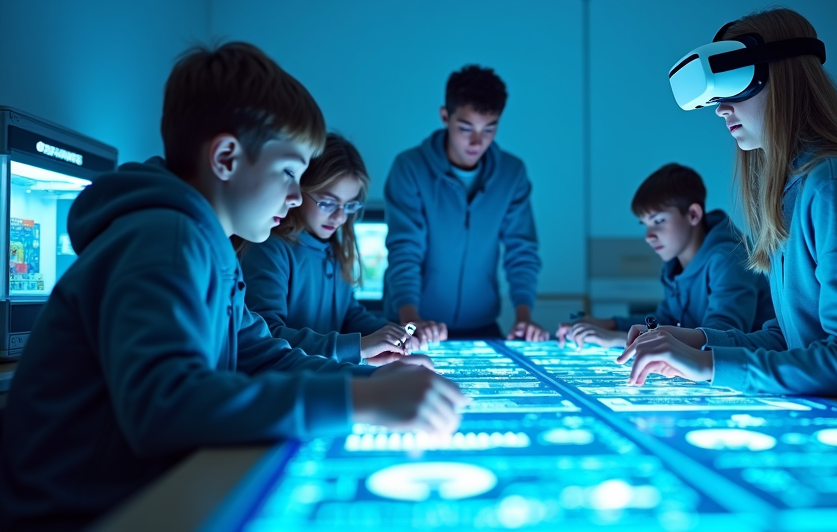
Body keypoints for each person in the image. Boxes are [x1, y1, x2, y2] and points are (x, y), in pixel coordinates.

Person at [0, 42, 467, 532]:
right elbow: (167, 404)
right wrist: (360, 402)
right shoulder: (165, 241)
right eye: (289, 173)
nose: (294, 196)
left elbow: (260, 352)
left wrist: (369, 382)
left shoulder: (209, 245)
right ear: (225, 157)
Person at [618, 8, 837, 424]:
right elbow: (792, 336)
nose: (720, 109)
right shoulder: (793, 192)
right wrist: (693, 339)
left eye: (732, 89)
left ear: (780, 80)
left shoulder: (834, 186)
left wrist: (707, 367)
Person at [384, 65, 547, 340]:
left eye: (489, 129)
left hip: (481, 326)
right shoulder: (410, 168)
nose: (476, 141)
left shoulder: (512, 173)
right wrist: (411, 321)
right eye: (465, 128)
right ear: (445, 116)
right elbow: (405, 249)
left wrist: (524, 318)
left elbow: (522, 250)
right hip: (411, 323)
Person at [240, 132, 432, 364]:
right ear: (299, 191)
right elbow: (266, 336)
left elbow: (348, 315)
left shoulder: (333, 249)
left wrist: (397, 335)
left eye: (349, 205)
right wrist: (359, 346)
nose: (340, 216)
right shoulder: (270, 250)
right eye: (328, 203)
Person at [556, 163, 773, 348]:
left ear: (693, 214)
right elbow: (669, 321)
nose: (649, 236)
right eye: (646, 224)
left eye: (658, 221)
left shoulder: (729, 259)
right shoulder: (674, 265)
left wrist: (619, 339)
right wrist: (606, 324)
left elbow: (719, 338)